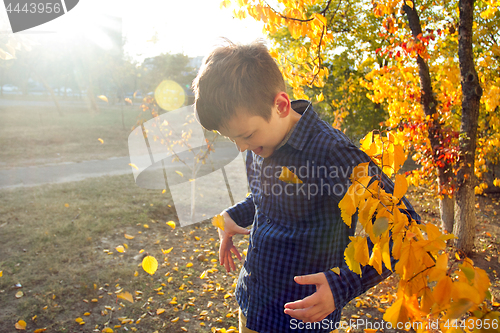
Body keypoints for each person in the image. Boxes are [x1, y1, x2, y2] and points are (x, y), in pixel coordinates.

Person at [192, 38, 420, 333]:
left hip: (301, 321)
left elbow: (408, 232)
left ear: (281, 105)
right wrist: (234, 216)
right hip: (252, 303)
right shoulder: (261, 144)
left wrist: (343, 285)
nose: (241, 148)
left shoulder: (334, 154)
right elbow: (269, 195)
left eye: (246, 135)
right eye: (232, 138)